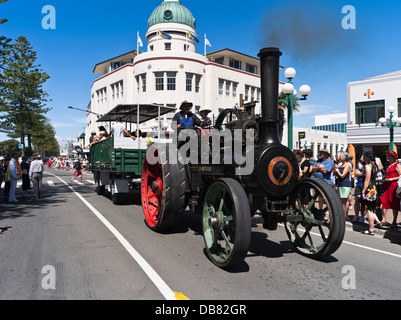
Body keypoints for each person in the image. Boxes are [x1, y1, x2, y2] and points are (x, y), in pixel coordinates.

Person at [361, 151, 381, 235]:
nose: (363, 158)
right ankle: (375, 225)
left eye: (364, 156)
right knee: (372, 209)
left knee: (369, 210)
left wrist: (363, 191)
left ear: (367, 157)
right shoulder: (375, 166)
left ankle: (371, 229)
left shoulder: (368, 166)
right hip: (374, 188)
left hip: (369, 189)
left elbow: (367, 179)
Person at [380, 150, 401, 227]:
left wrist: (391, 179)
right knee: (384, 202)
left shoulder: (397, 165)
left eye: (388, 156)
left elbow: (400, 176)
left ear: (393, 157)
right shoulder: (388, 165)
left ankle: (394, 221)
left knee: (394, 203)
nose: (387, 157)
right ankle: (384, 219)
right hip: (386, 186)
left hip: (393, 186)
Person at [334, 152, 352, 220]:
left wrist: (338, 171)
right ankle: (341, 214)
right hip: (340, 183)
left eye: (341, 156)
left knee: (344, 200)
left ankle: (345, 215)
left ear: (344, 158)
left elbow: (342, 175)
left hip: (345, 184)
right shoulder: (341, 164)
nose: (339, 157)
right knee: (340, 199)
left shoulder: (347, 165)